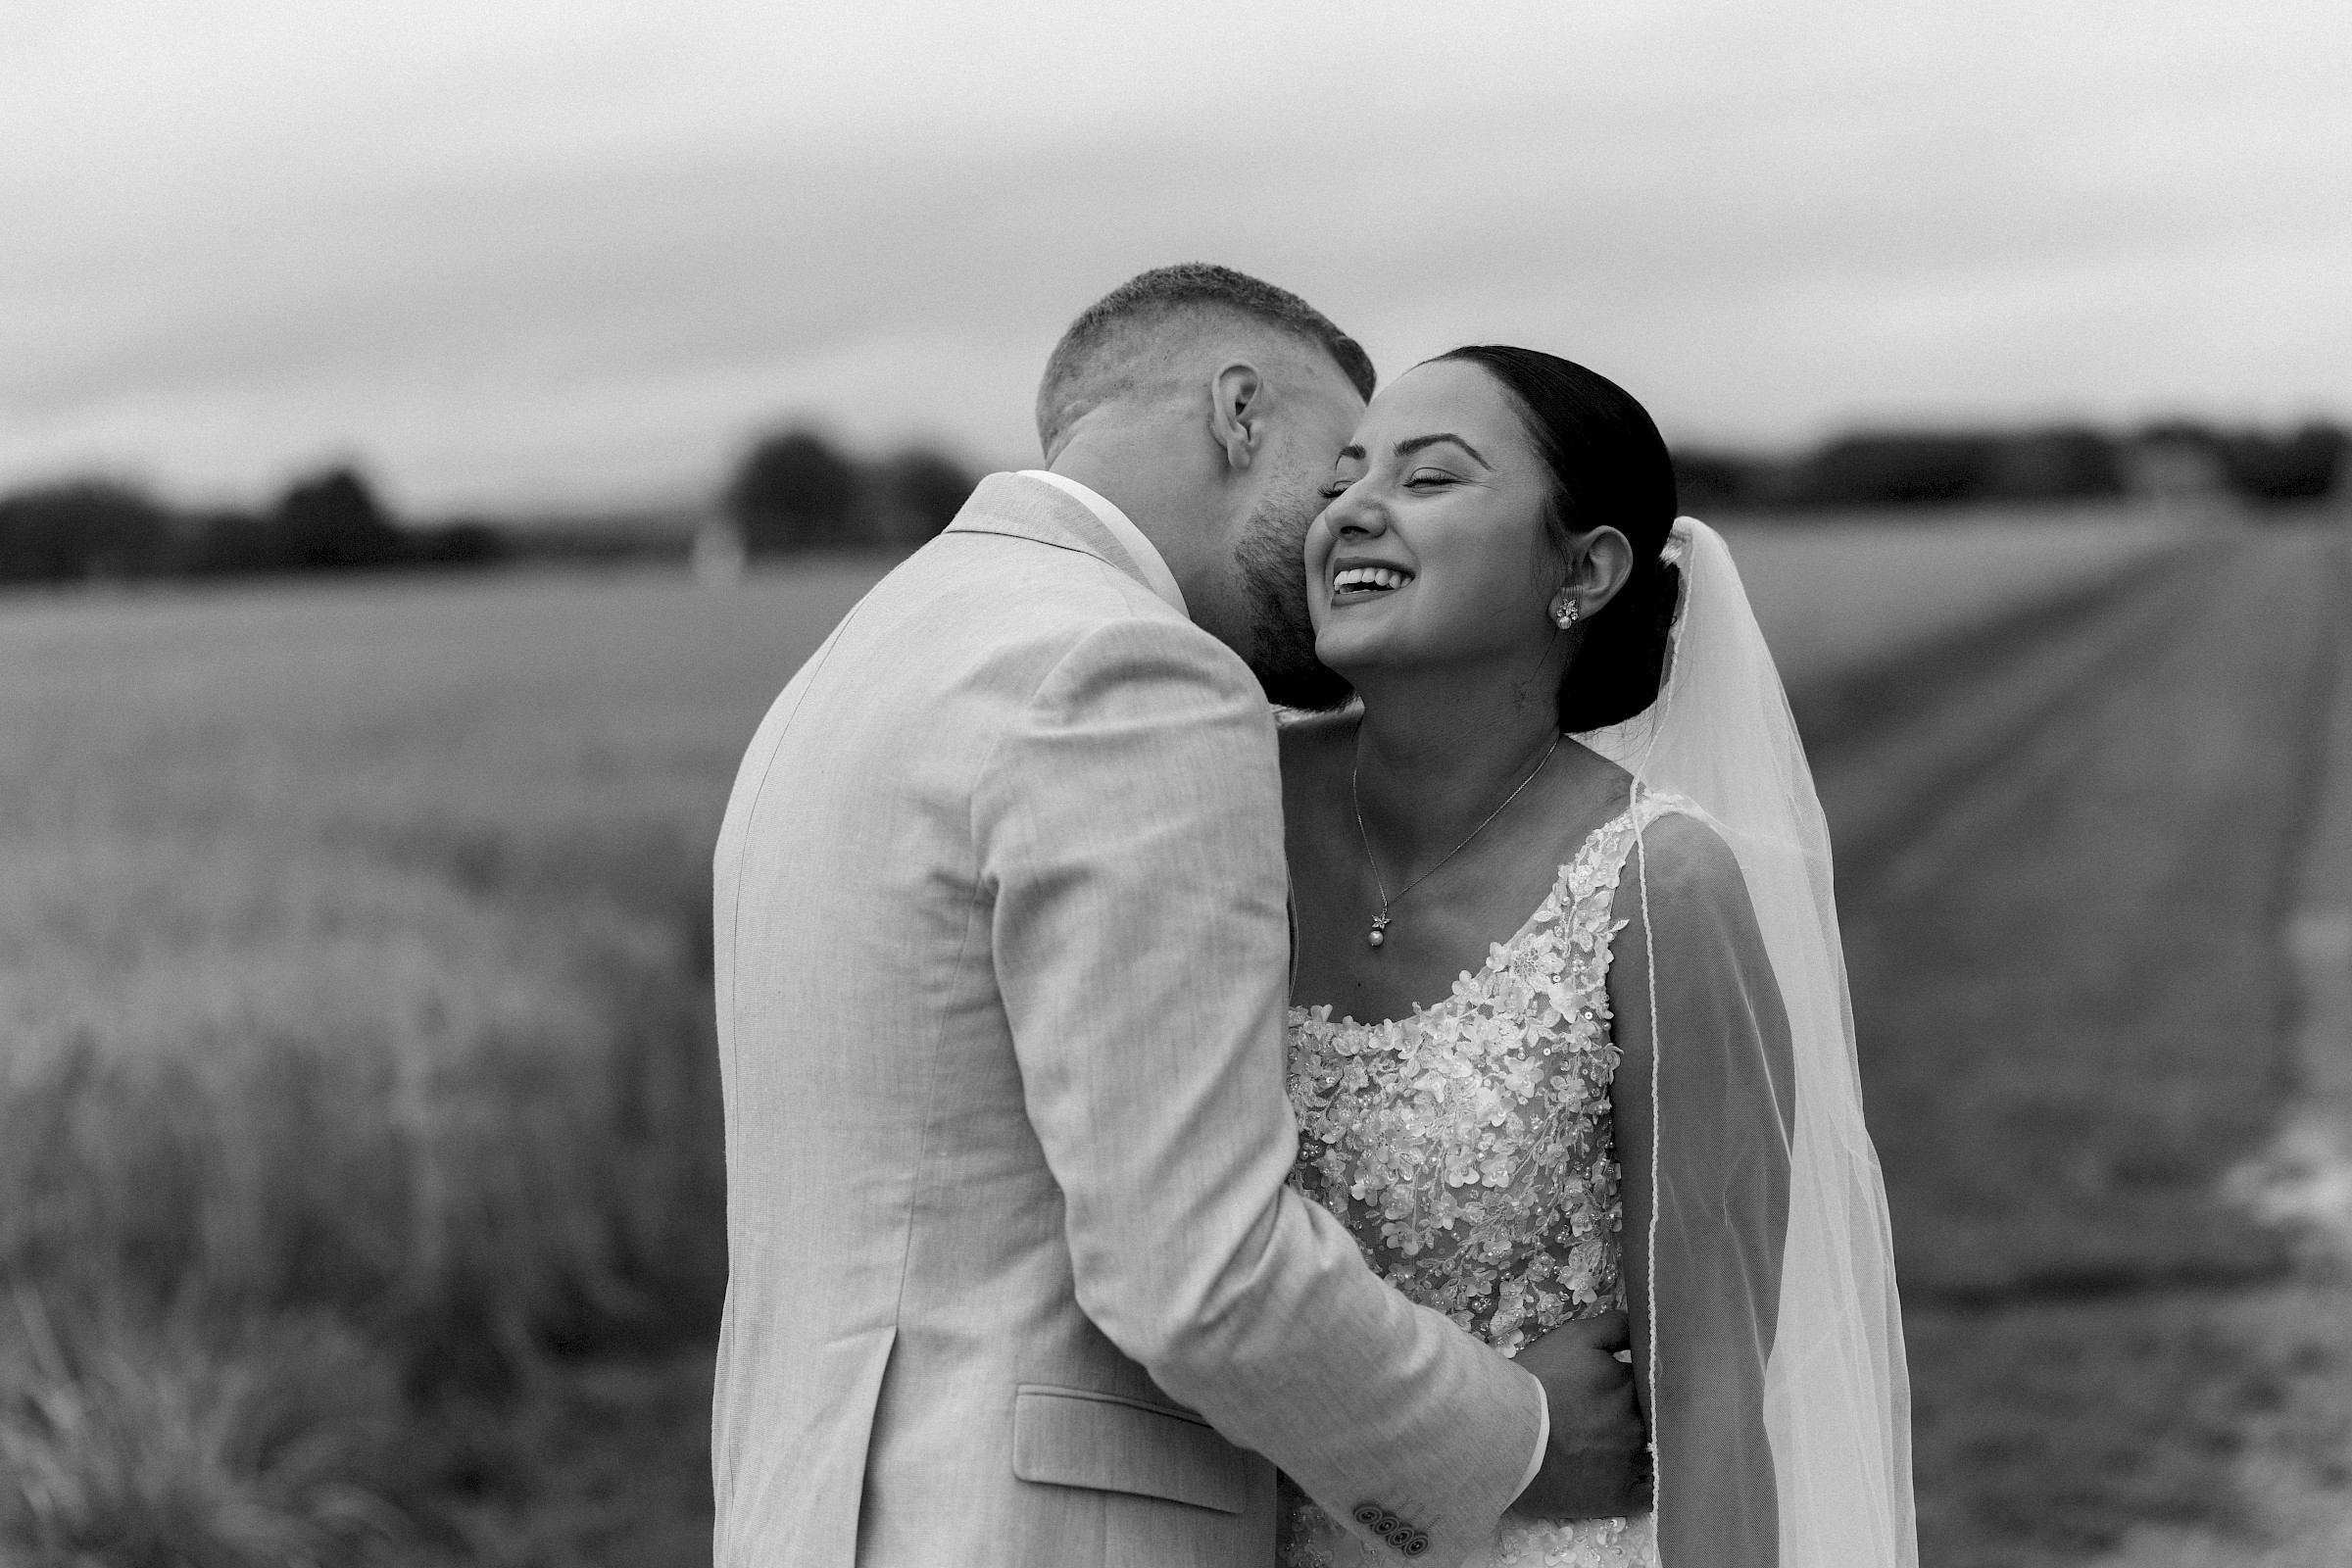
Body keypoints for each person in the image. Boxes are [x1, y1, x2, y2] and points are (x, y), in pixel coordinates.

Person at [710, 269, 1649, 1566]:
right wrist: (1523, 1440)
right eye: (1337, 467)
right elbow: (1199, 1273)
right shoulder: (1133, 672)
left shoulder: (864, 656)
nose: (1343, 524)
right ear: (1240, 411)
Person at [1277, 348, 1917, 1566]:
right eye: (1343, 477)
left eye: (1428, 477)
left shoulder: (1655, 883)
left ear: (1583, 570)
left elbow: (1712, 1391)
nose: (1353, 508)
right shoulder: (1220, 799)